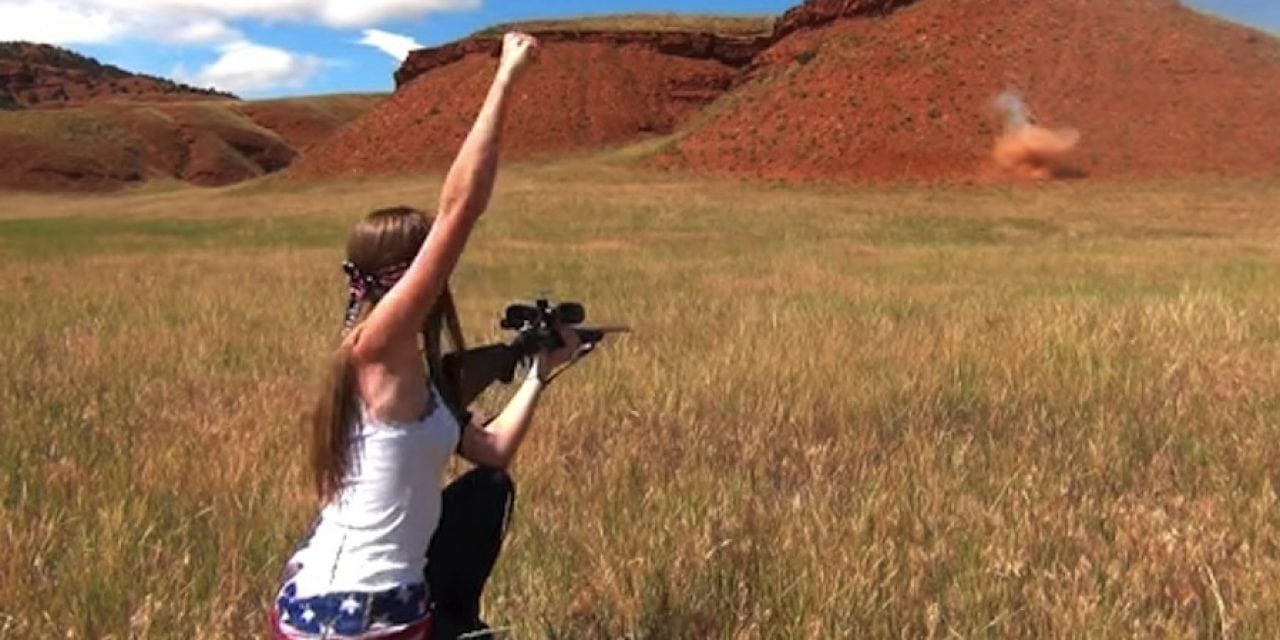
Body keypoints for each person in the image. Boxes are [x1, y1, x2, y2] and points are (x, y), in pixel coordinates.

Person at [270, 32, 579, 640]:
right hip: (353, 616)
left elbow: (491, 454)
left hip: (369, 605)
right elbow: (461, 206)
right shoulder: (375, 350)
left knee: (487, 489)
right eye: (429, 263)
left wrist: (542, 372)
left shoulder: (410, 370)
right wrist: (506, 79)